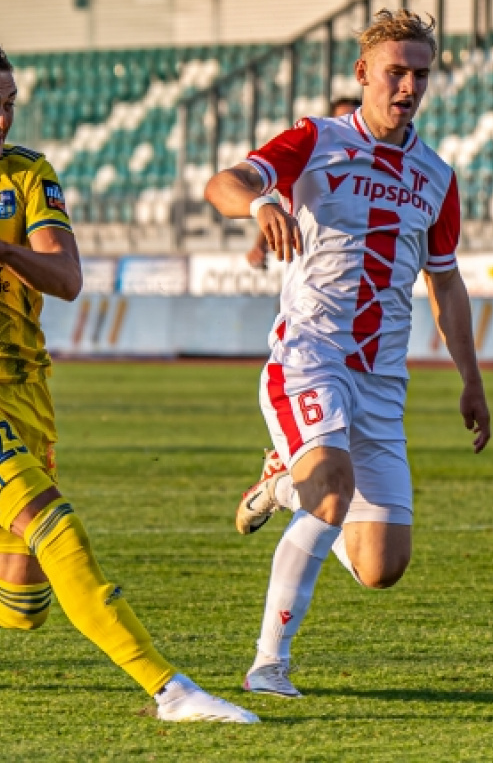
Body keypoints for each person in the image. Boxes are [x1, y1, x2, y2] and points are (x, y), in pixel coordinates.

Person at [205, 8, 491, 698]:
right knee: (331, 492)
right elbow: (224, 184)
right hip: (309, 355)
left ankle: (280, 484)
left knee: (381, 566)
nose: (408, 88)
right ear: (363, 73)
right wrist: (259, 206)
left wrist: (471, 381)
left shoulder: (436, 176)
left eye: (420, 75)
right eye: (396, 72)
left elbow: (445, 281)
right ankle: (269, 664)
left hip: (382, 381)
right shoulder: (316, 139)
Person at [0, 46, 257, 723]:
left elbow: (68, 280)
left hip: (24, 386)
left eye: (9, 103)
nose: (2, 117)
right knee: (52, 523)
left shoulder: (27, 175)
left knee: (22, 601)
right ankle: (172, 691)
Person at [245, 97, 361, 269]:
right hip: (314, 275)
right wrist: (260, 245)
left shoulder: (380, 165)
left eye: (352, 119)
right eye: (341, 119)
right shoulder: (313, 157)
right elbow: (281, 204)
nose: (347, 126)